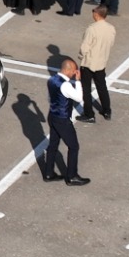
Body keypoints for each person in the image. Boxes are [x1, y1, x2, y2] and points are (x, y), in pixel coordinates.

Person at [43, 58, 88, 186]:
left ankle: (48, 173)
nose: (74, 73)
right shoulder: (66, 85)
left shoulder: (52, 80)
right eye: (73, 71)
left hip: (53, 115)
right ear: (67, 69)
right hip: (62, 119)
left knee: (53, 144)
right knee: (74, 146)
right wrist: (78, 81)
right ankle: (72, 176)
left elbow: (49, 97)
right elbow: (79, 97)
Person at [77, 7, 116, 123]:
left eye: (93, 11)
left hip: (89, 63)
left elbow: (85, 47)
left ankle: (89, 114)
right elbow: (111, 43)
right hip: (101, 62)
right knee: (102, 88)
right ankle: (107, 111)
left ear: (97, 14)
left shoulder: (92, 29)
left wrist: (81, 56)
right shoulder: (111, 28)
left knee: (86, 89)